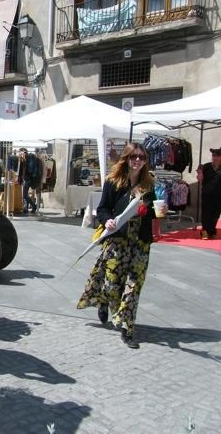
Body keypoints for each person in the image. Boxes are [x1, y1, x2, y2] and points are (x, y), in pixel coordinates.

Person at [77, 143, 166, 349]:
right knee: (112, 284)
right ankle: (104, 300)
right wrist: (107, 220)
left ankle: (127, 327)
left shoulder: (148, 183)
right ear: (126, 158)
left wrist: (161, 211)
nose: (138, 161)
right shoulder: (113, 182)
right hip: (118, 239)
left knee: (134, 285)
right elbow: (103, 209)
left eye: (142, 157)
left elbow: (152, 211)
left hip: (140, 242)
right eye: (134, 156)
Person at [196, 147, 221, 239]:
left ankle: (212, 231)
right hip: (207, 194)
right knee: (206, 213)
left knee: (215, 214)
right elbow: (200, 179)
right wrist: (199, 174)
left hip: (219, 195)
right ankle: (205, 232)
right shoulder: (206, 166)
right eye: (213, 155)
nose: (214, 157)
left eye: (217, 156)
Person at [17, 148, 40, 214]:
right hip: (27, 178)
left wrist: (25, 176)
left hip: (28, 179)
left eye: (21, 152)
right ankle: (26, 208)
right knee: (25, 194)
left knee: (24, 195)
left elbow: (30, 169)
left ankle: (34, 206)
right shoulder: (26, 158)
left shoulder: (30, 157)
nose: (20, 154)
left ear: (24, 152)